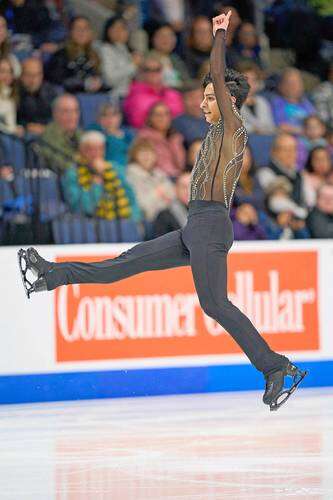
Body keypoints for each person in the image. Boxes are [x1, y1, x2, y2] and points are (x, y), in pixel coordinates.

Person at [18, 11, 307, 411]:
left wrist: (219, 36)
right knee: (124, 263)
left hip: (210, 226)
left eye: (211, 97)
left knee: (214, 304)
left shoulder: (233, 127)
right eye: (205, 98)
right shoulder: (213, 132)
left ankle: (275, 367)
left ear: (229, 100)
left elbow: (219, 78)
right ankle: (53, 275)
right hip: (196, 227)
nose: (204, 103)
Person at [61, 131, 141, 222]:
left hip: (122, 223)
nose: (96, 153)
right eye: (90, 149)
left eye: (100, 149)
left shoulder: (115, 168)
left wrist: (134, 220)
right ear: (82, 151)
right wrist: (96, 185)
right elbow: (84, 208)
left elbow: (131, 198)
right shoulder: (72, 174)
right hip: (91, 225)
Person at [45, 16, 103, 94]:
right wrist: (84, 84)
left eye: (85, 28)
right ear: (70, 32)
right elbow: (56, 80)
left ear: (90, 32)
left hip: (91, 96)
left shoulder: (94, 55)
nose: (82, 32)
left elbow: (97, 76)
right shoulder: (61, 54)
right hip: (69, 98)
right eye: (77, 28)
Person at [123, 54, 184, 128]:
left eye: (157, 70)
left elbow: (181, 117)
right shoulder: (135, 95)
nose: (153, 73)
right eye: (148, 70)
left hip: (175, 133)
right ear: (140, 72)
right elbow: (138, 123)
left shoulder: (172, 93)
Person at [126, 138, 176, 222]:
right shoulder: (131, 175)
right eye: (142, 152)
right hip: (147, 220)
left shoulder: (160, 174)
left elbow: (173, 196)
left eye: (150, 152)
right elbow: (142, 206)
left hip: (168, 215)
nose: (147, 156)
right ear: (134, 156)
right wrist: (157, 193)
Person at [257, 133, 307, 209]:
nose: (291, 154)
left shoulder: (299, 173)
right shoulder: (265, 172)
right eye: (286, 150)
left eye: (293, 149)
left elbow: (308, 201)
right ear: (274, 152)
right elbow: (278, 203)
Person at [137, 102, 186, 178]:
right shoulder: (144, 138)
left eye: (167, 114)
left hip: (178, 176)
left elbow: (181, 164)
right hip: (158, 178)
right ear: (150, 118)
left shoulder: (175, 138)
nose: (163, 118)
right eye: (158, 115)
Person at [88, 102, 135, 178]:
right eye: (105, 115)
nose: (109, 119)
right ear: (99, 119)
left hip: (129, 171)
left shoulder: (128, 136)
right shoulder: (97, 136)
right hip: (108, 173)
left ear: (120, 117)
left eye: (113, 115)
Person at [98, 15, 140, 99]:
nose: (119, 31)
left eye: (123, 28)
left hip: (133, 95)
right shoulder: (104, 49)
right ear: (108, 31)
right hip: (116, 96)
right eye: (115, 28)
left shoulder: (127, 50)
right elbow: (109, 79)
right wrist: (133, 65)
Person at [38, 94, 82, 173]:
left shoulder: (81, 134)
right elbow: (59, 163)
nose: (72, 116)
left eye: (75, 111)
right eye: (66, 111)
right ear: (55, 114)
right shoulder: (49, 137)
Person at [17, 57, 59, 135]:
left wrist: (45, 128)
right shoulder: (15, 94)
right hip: (24, 135)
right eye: (29, 75)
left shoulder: (50, 92)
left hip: (48, 133)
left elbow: (58, 116)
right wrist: (26, 126)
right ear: (21, 76)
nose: (33, 79)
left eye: (37, 74)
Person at [271, 68, 316, 135]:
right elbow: (282, 127)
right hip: (291, 140)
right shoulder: (277, 103)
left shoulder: (306, 103)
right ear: (281, 86)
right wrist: (305, 131)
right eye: (290, 83)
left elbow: (316, 123)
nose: (294, 86)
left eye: (297, 82)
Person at [237, 61, 275, 135]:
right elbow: (234, 127)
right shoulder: (230, 103)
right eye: (246, 80)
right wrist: (254, 129)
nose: (250, 84)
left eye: (253, 80)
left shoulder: (263, 102)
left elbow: (271, 126)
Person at [148, 22, 190, 88]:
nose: (166, 39)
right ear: (153, 39)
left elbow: (186, 81)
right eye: (162, 36)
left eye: (170, 36)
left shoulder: (176, 60)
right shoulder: (147, 59)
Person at [152, 172, 190, 237]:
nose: (188, 191)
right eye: (184, 187)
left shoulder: (203, 212)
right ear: (176, 189)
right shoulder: (164, 216)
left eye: (192, 187)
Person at [172, 80, 209, 146]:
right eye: (191, 98)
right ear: (183, 100)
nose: (196, 102)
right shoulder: (177, 123)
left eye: (198, 97)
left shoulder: (213, 118)